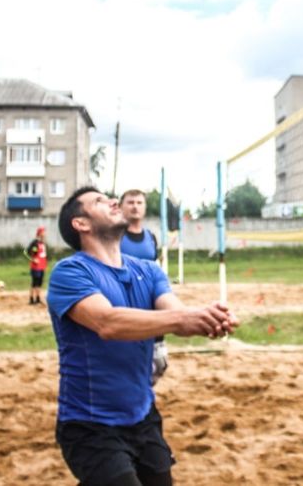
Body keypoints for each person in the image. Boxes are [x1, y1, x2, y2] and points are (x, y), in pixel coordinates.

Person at [48, 186, 239, 486]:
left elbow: (177, 316)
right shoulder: (70, 272)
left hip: (143, 416)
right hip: (89, 425)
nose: (113, 201)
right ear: (81, 223)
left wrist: (210, 318)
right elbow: (108, 323)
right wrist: (183, 318)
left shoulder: (149, 271)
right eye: (99, 201)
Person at [119, 188, 168, 385]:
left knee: (158, 363)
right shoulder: (114, 237)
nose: (135, 207)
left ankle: (145, 392)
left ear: (145, 207)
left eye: (139, 202)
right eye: (130, 202)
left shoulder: (150, 237)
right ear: (121, 207)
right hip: (123, 307)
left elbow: (154, 272)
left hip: (150, 306)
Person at [25, 225, 48, 306]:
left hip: (42, 266)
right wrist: (33, 259)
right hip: (35, 267)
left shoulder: (42, 243)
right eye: (43, 232)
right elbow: (26, 252)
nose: (45, 234)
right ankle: (32, 299)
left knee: (40, 283)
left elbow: (43, 255)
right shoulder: (35, 243)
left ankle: (38, 299)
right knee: (34, 283)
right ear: (40, 233)